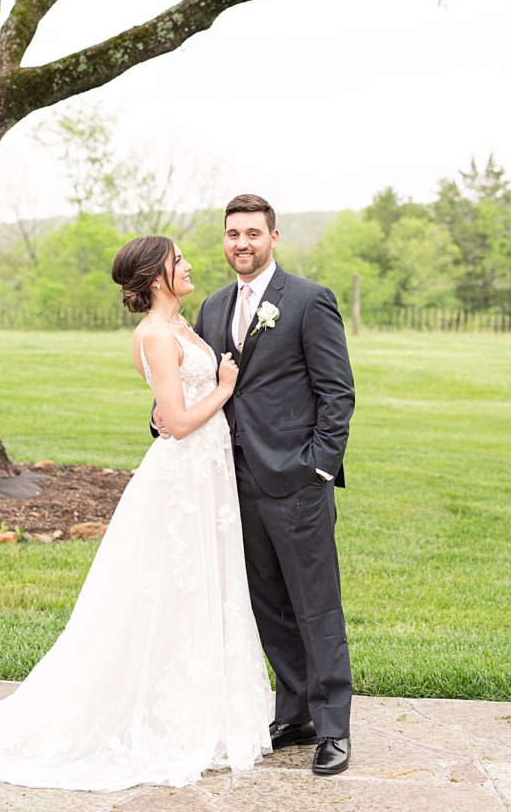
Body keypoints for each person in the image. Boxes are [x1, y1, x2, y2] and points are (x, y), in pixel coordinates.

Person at [0, 235, 272, 791]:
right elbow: (175, 419)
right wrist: (224, 388)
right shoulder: (153, 334)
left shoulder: (181, 326)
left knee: (200, 588)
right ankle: (159, 715)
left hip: (205, 476)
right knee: (174, 587)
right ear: (155, 277)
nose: (189, 264)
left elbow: (163, 410)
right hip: (183, 480)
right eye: (178, 261)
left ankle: (208, 710)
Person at [153, 194, 355, 776]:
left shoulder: (309, 301)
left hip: (295, 481)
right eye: (232, 234)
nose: (241, 243)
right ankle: (295, 713)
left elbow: (336, 392)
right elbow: (198, 385)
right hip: (231, 485)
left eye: (252, 234)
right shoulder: (213, 307)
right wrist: (162, 416)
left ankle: (334, 727)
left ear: (273, 237)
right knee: (267, 605)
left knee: (315, 606)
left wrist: (318, 465)